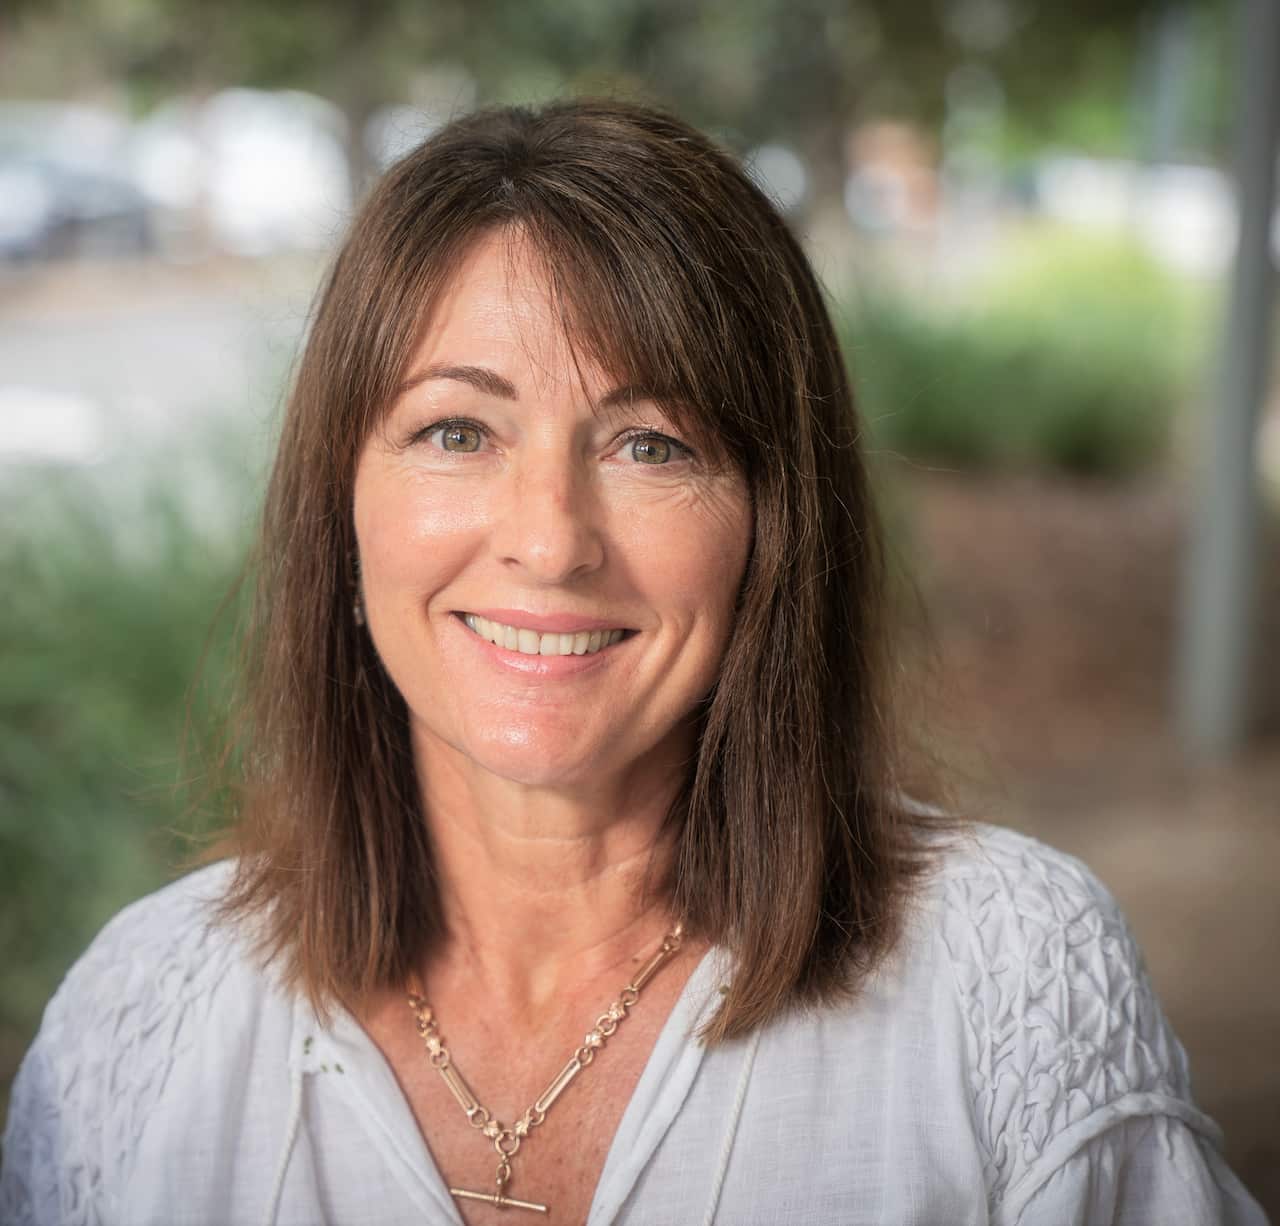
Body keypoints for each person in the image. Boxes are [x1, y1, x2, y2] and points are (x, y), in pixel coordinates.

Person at [0, 98, 1267, 1226]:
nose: (549, 541)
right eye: (457, 429)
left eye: (651, 444)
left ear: (774, 518)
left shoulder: (1004, 987)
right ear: (341, 499)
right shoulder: (139, 1023)